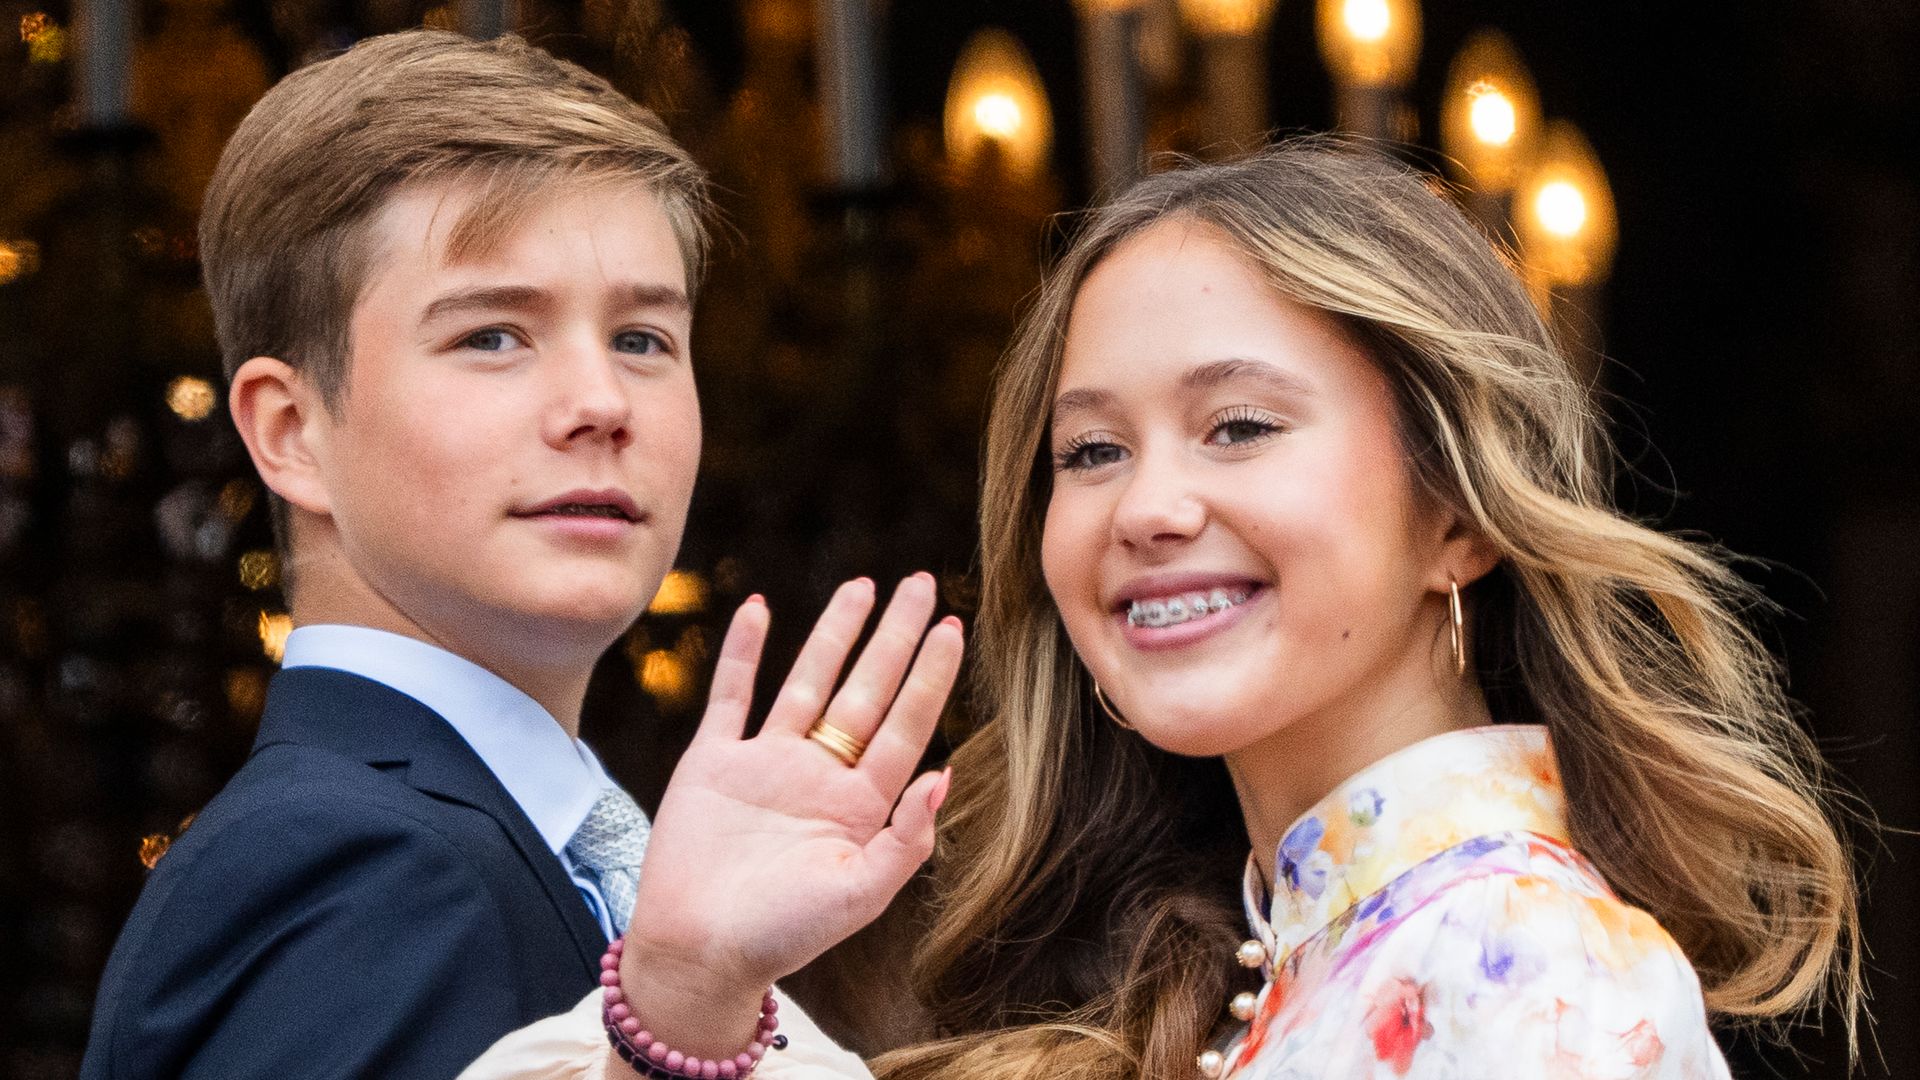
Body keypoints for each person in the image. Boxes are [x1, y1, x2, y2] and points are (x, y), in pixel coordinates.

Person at [460, 145, 1863, 1078]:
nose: (1147, 507)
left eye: (1239, 425)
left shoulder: (1531, 979)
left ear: (1459, 517)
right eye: (1091, 451)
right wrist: (694, 982)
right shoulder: (1267, 974)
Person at [82, 30, 962, 1080]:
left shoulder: (573, 851)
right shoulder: (343, 864)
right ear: (290, 431)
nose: (601, 404)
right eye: (493, 335)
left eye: (643, 338)